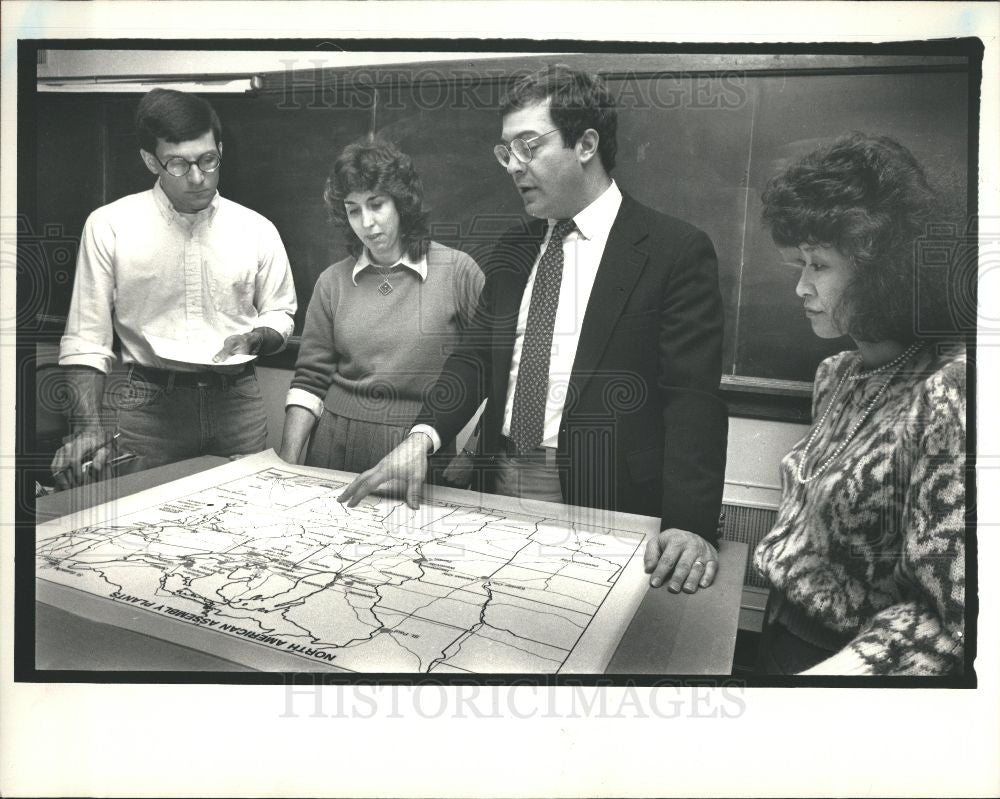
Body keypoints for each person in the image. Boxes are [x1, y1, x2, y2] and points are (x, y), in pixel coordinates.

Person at [338, 64, 729, 596]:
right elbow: (475, 358)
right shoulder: (515, 247)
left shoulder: (673, 251)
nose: (513, 166)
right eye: (506, 151)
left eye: (528, 146)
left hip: (604, 491)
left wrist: (688, 522)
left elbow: (692, 398)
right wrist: (422, 438)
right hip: (498, 476)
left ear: (585, 143)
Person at [754, 133, 966, 676]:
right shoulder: (836, 373)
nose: (800, 287)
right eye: (798, 264)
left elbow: (949, 617)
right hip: (777, 636)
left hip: (851, 671)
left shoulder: (950, 391)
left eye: (819, 266)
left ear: (881, 273)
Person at [51, 88, 297, 488]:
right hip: (150, 409)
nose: (198, 177)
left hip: (238, 403)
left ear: (219, 148)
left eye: (208, 160)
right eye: (178, 164)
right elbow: (85, 339)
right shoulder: (109, 226)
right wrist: (88, 430)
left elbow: (281, 312)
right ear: (151, 160)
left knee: (246, 525)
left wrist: (259, 336)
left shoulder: (257, 229)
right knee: (141, 526)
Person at [278, 139, 484, 477]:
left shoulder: (458, 272)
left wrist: (475, 455)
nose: (367, 223)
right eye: (353, 210)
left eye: (376, 205)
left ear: (401, 203)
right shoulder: (332, 281)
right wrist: (286, 464)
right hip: (333, 442)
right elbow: (310, 380)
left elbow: (497, 368)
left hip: (417, 446)